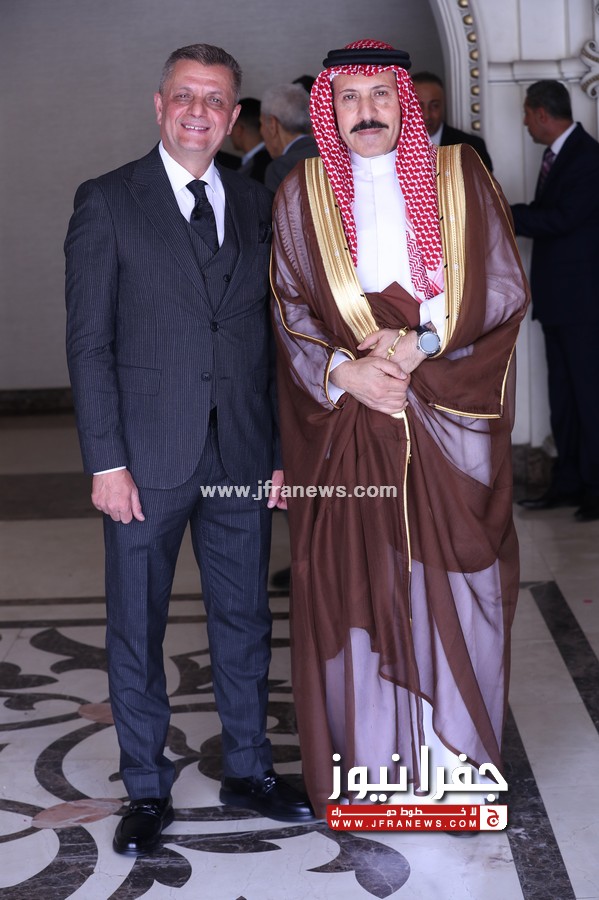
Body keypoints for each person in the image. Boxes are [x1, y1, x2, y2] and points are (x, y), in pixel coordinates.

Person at [65, 42, 313, 857]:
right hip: (144, 459)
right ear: (159, 104)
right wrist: (105, 461)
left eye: (215, 100)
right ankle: (146, 785)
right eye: (185, 96)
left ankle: (250, 769)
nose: (198, 111)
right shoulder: (108, 201)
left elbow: (275, 341)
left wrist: (279, 450)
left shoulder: (257, 203)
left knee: (246, 618)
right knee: (137, 625)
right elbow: (89, 344)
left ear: (234, 116)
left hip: (240, 451)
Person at [269, 39, 529, 819]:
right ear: (329, 108)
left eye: (380, 94)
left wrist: (421, 345)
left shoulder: (460, 176)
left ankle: (456, 769)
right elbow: (288, 305)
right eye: (348, 98)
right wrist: (343, 373)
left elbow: (502, 287)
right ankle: (377, 774)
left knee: (458, 584)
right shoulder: (302, 192)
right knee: (361, 582)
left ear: (404, 101)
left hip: (449, 418)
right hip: (351, 424)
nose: (366, 112)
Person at [511, 80, 599, 521]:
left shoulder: (587, 157)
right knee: (562, 398)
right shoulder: (559, 155)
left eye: (527, 114)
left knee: (589, 398)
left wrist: (505, 213)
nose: (525, 123)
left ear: (542, 113)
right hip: (559, 303)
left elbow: (562, 219)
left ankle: (596, 488)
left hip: (584, 305)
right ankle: (568, 483)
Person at [412, 71, 493, 171]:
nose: (427, 115)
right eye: (419, 106)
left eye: (434, 106)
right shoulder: (397, 148)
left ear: (443, 105)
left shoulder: (472, 147)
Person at [260, 83, 319, 192]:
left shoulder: (280, 168)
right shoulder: (333, 155)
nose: (261, 131)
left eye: (261, 124)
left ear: (273, 124)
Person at [230, 96, 271, 183]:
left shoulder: (259, 166)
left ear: (238, 130)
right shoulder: (271, 158)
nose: (228, 133)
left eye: (231, 126)